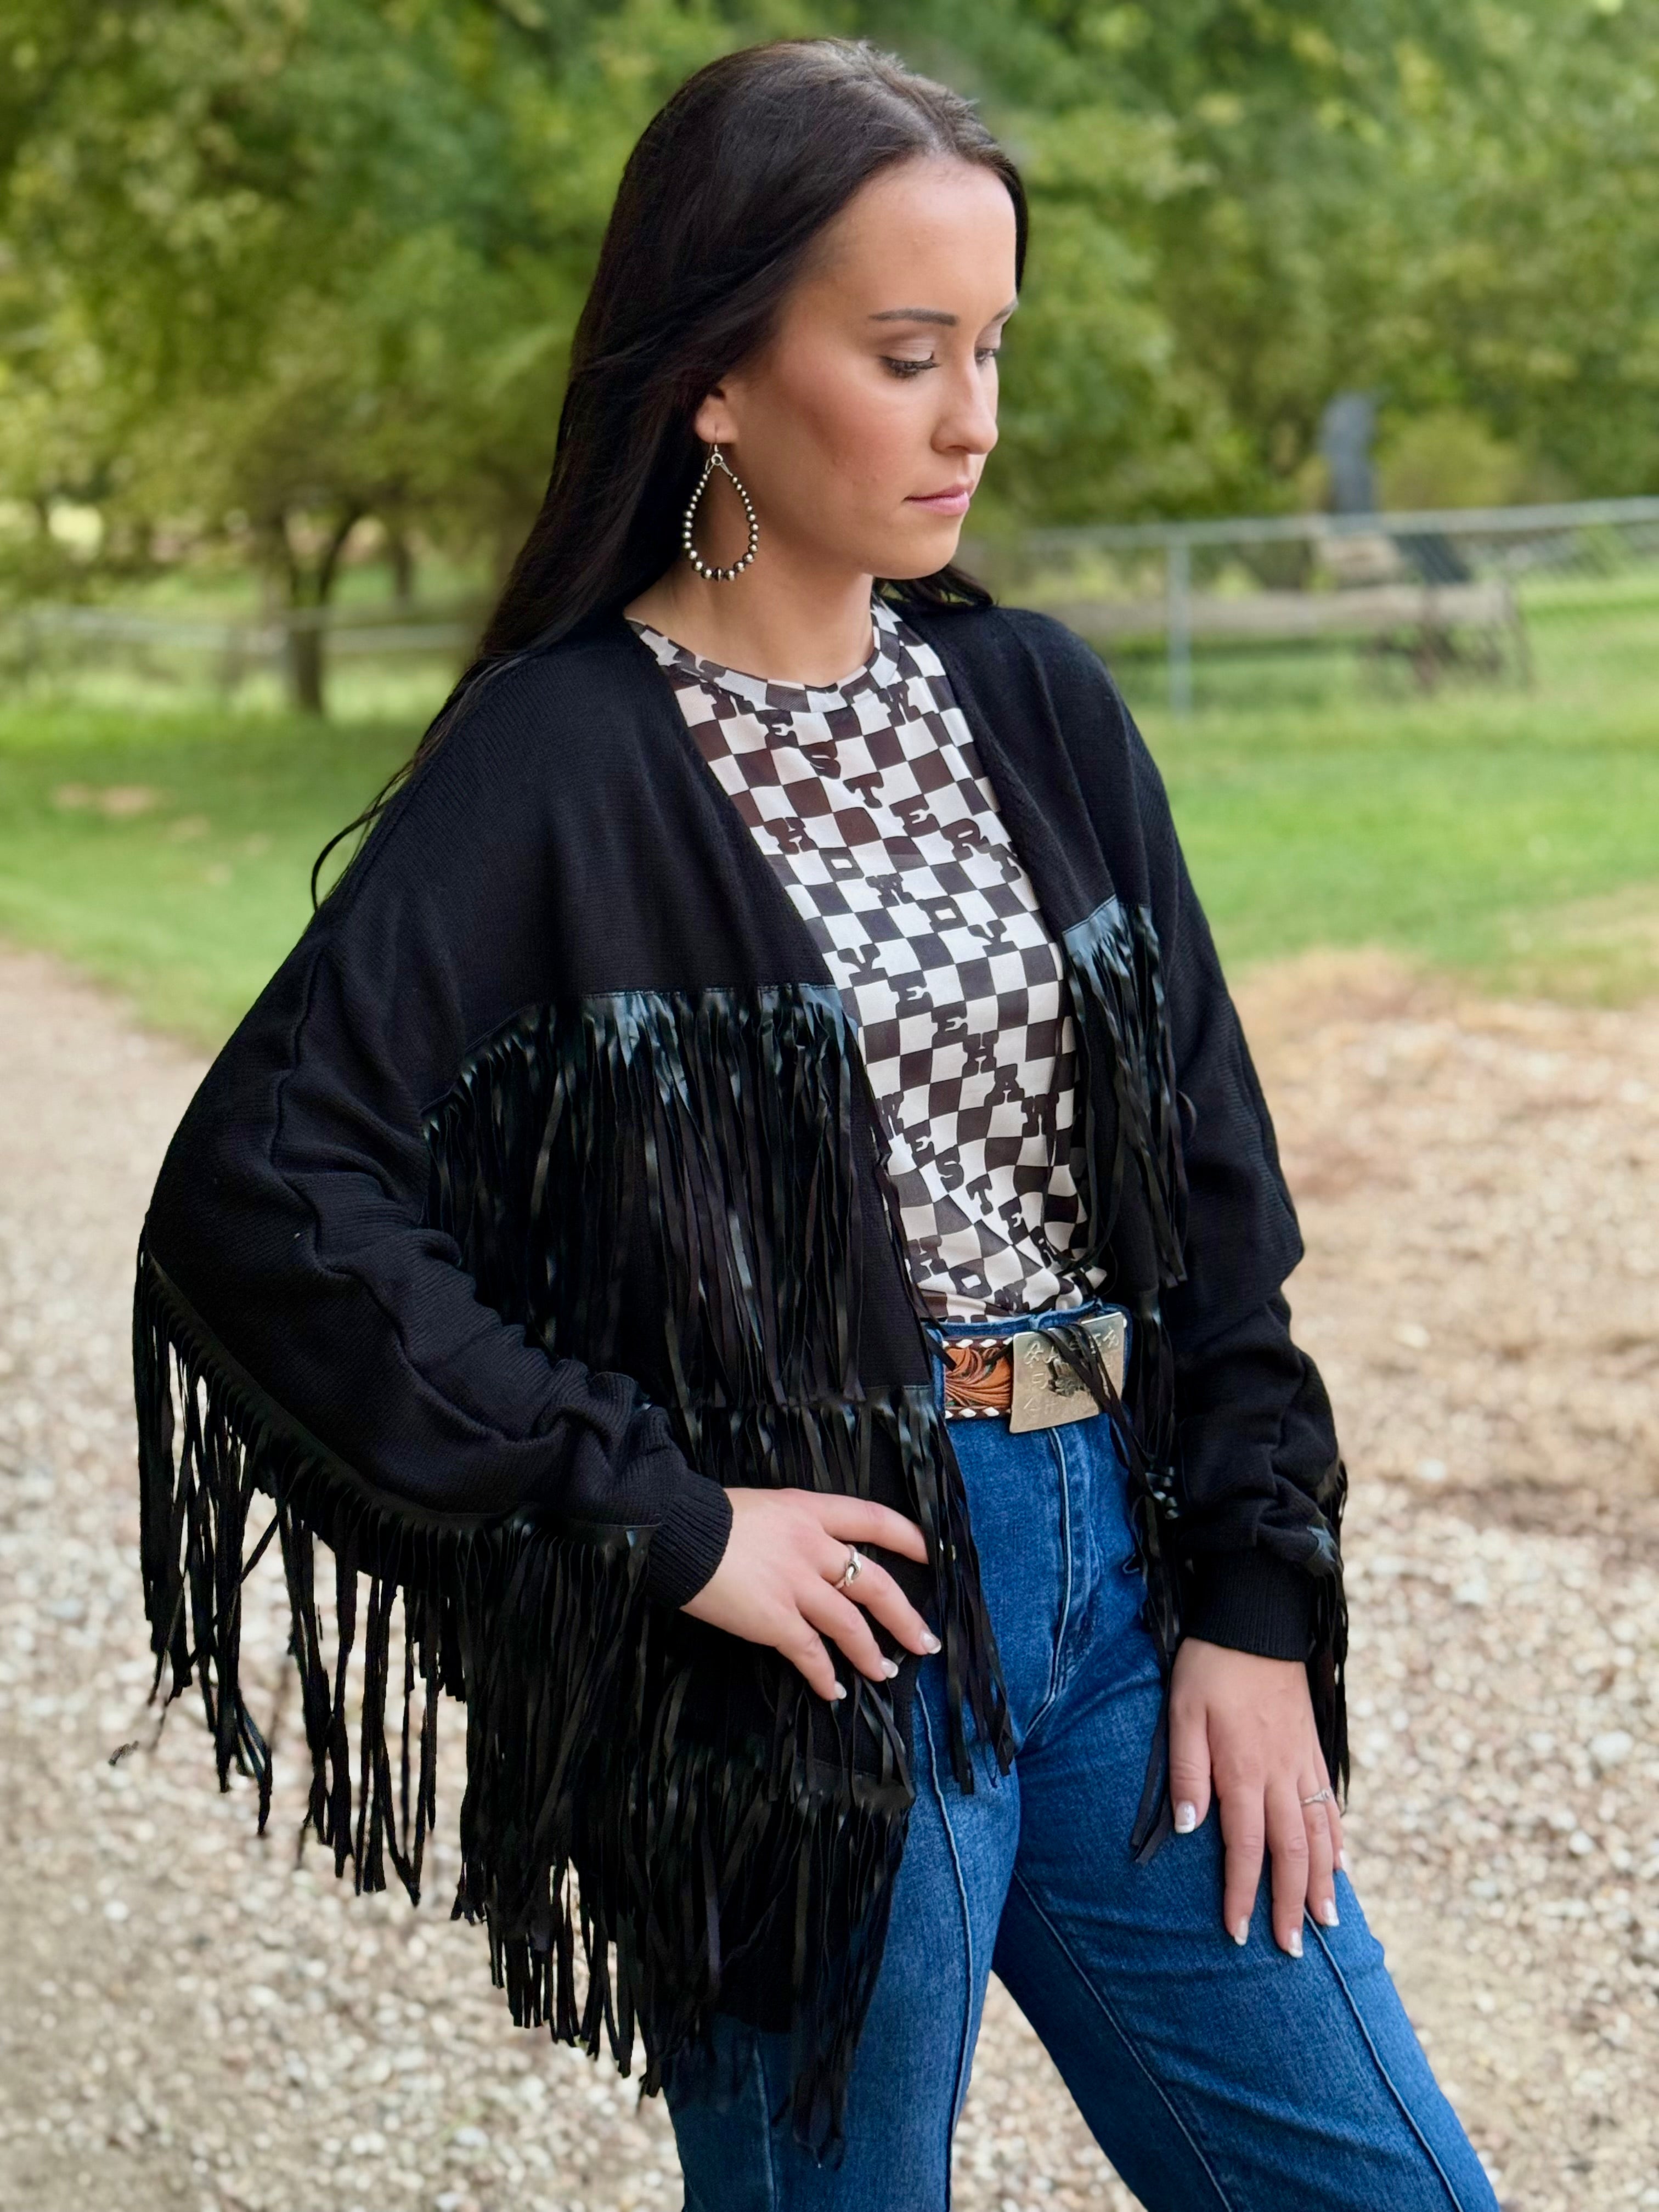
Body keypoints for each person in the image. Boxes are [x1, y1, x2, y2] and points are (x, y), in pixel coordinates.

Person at [131, 36, 1499, 2212]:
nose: (972, 417)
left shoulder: (1037, 699)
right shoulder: (560, 761)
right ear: (716, 382)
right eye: (903, 352)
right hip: (823, 1644)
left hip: (1124, 1581)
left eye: (990, 349)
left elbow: (1214, 1197)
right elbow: (268, 1195)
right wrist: (668, 1515)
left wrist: (1255, 1597)